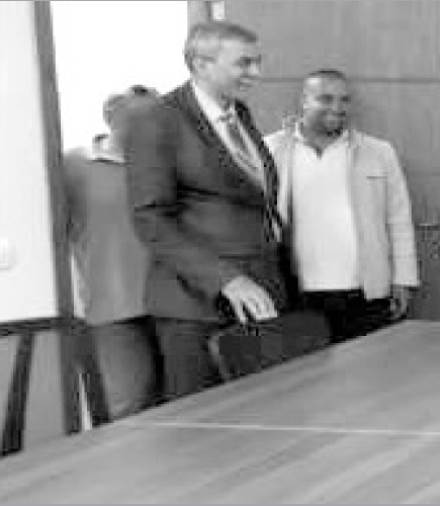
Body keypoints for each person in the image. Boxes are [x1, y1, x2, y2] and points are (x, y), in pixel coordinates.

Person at [124, 21, 287, 401]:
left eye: (258, 62)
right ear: (201, 63)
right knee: (201, 422)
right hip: (195, 304)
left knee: (260, 412)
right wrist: (227, 281)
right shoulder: (157, 120)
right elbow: (150, 219)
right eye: (244, 63)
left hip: (257, 294)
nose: (256, 73)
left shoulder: (239, 113)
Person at [264, 69, 418, 343]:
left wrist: (404, 279)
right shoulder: (269, 150)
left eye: (344, 100)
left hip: (366, 294)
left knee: (370, 368)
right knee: (304, 370)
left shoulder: (379, 152)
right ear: (304, 101)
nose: (337, 107)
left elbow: (399, 220)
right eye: (325, 99)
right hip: (296, 296)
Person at [63, 85, 162, 420]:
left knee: (175, 404)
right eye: (136, 118)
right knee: (126, 408)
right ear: (110, 117)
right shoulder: (73, 165)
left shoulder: (163, 165)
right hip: (110, 310)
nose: (146, 127)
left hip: (169, 303)